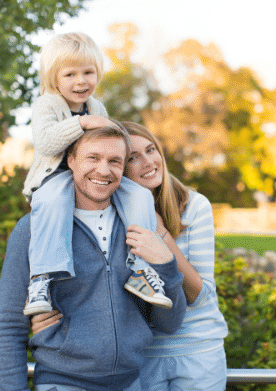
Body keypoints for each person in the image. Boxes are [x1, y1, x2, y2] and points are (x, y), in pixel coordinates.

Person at [33, 122, 229, 391]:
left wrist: (159, 234)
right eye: (133, 158)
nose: (148, 162)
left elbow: (199, 294)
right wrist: (52, 322)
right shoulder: (108, 212)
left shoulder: (194, 206)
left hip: (195, 349)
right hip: (142, 355)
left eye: (151, 150)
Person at [0, 124, 187, 391]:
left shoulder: (139, 229)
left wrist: (166, 265)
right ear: (71, 161)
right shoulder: (33, 229)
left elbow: (170, 322)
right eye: (93, 158)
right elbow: (9, 326)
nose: (104, 170)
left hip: (131, 389)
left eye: (114, 161)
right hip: (63, 389)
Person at [22, 32, 172, 316]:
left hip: (90, 176)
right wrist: (84, 123)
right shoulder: (48, 104)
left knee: (139, 196)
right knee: (53, 201)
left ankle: (140, 270)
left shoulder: (97, 106)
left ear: (98, 73)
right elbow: (45, 142)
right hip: (55, 177)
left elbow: (110, 140)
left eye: (88, 72)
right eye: (70, 74)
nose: (81, 81)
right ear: (54, 78)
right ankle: (41, 278)